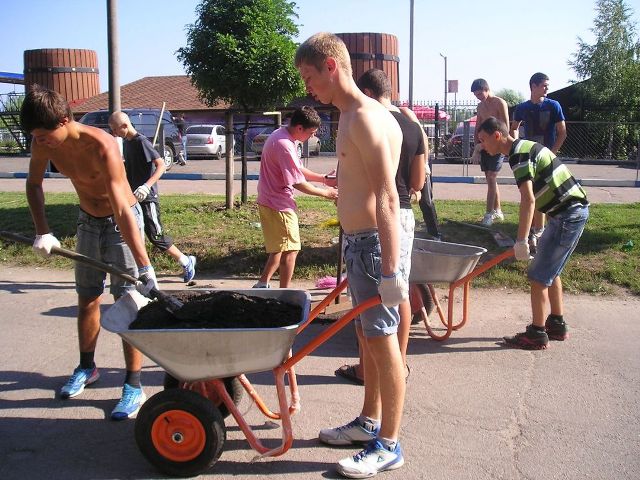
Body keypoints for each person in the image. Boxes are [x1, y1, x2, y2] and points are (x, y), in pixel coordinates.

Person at [295, 33, 408, 478]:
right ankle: (369, 423)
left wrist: (392, 270)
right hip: (361, 242)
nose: (308, 88)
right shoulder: (350, 115)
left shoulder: (365, 117)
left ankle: (390, 445)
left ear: (330, 66)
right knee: (369, 341)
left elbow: (387, 197)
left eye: (309, 77)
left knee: (382, 342)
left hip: (375, 245)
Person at [20, 86, 159, 420]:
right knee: (87, 299)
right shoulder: (43, 143)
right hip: (87, 221)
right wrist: (43, 230)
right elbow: (34, 183)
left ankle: (134, 384)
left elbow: (123, 208)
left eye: (44, 135)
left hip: (120, 221)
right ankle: (87, 368)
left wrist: (144, 265)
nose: (40, 142)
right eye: (35, 137)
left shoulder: (102, 144)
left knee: (128, 304)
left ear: (65, 120)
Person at [334, 68, 425, 386]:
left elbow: (377, 189)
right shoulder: (412, 124)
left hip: (377, 219)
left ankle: (377, 372)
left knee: (375, 324)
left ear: (368, 93)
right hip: (404, 214)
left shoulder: (368, 117)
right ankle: (399, 364)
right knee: (397, 295)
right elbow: (418, 181)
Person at [477, 117, 588, 350]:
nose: (482, 146)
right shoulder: (525, 147)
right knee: (550, 270)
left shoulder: (518, 156)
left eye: (483, 140)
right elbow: (539, 197)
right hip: (568, 214)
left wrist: (520, 241)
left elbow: (527, 199)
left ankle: (537, 334)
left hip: (567, 215)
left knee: (538, 276)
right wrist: (536, 232)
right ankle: (556, 324)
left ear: (497, 136)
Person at [254, 106, 338, 289]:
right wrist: (327, 194)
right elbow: (297, 182)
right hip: (278, 205)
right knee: (291, 250)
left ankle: (262, 285)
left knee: (279, 248)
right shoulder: (284, 145)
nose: (312, 137)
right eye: (311, 133)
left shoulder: (282, 136)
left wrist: (324, 179)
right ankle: (284, 293)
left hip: (270, 201)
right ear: (300, 128)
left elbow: (297, 169)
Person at [109, 111, 196, 283]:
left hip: (147, 198)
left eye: (115, 129)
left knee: (156, 235)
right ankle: (141, 271)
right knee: (134, 234)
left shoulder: (141, 142)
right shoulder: (127, 143)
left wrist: (146, 186)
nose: (113, 133)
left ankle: (186, 261)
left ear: (125, 126)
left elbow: (161, 165)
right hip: (133, 198)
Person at [510, 73, 567, 252]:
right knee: (533, 194)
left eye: (547, 85)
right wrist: (518, 145)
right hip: (530, 158)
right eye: (543, 85)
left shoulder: (553, 105)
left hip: (548, 157)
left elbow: (562, 132)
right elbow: (514, 129)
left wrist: (552, 154)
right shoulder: (522, 107)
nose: (547, 88)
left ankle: (547, 232)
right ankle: (538, 233)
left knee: (551, 195)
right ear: (533, 86)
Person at [470, 78, 508, 226]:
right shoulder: (480, 107)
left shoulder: (499, 103)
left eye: (480, 93)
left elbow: (505, 126)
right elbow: (478, 126)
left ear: (487, 89)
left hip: (497, 144)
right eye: (476, 95)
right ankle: (498, 210)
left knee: (492, 177)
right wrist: (477, 146)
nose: (478, 96)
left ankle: (488, 213)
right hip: (485, 144)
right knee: (489, 178)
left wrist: (500, 144)